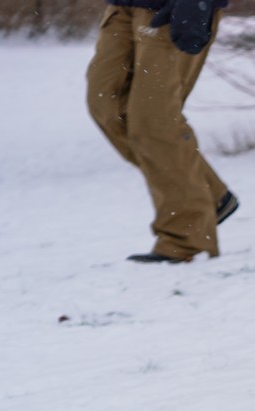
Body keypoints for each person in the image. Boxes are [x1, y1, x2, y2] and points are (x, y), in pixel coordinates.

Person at [86, 0, 238, 264]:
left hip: (171, 10)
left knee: (154, 122)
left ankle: (187, 239)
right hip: (123, 7)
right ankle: (208, 195)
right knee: (107, 107)